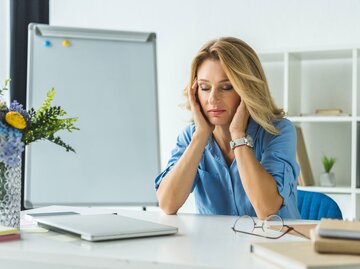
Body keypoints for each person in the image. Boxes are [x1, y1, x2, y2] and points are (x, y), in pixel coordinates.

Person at [155, 37, 300, 219]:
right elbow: (168, 204)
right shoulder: (191, 136)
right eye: (205, 87)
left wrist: (238, 136)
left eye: (226, 87)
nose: (212, 99)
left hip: (274, 244)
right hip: (217, 246)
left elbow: (267, 210)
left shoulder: (278, 131)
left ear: (247, 90)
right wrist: (200, 138)